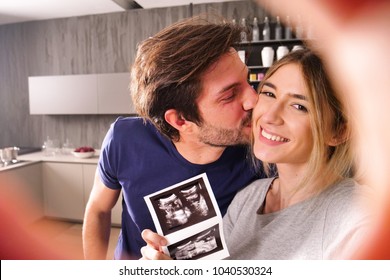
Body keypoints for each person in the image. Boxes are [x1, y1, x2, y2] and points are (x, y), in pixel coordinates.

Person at [140, 49, 370, 260]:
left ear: (339, 131)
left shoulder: (361, 219)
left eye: (299, 106)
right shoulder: (248, 198)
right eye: (269, 93)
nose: (269, 116)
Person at [82, 16, 261, 260]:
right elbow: (98, 209)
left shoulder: (263, 153)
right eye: (229, 96)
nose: (254, 100)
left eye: (248, 81)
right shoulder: (125, 140)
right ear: (180, 121)